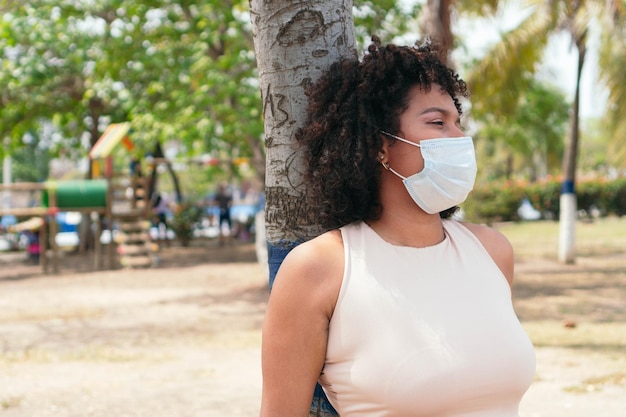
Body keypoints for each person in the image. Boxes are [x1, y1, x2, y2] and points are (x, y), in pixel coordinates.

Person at [260, 37, 536, 417]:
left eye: (459, 123)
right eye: (438, 123)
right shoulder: (319, 269)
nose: (459, 139)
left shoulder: (491, 251)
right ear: (379, 145)